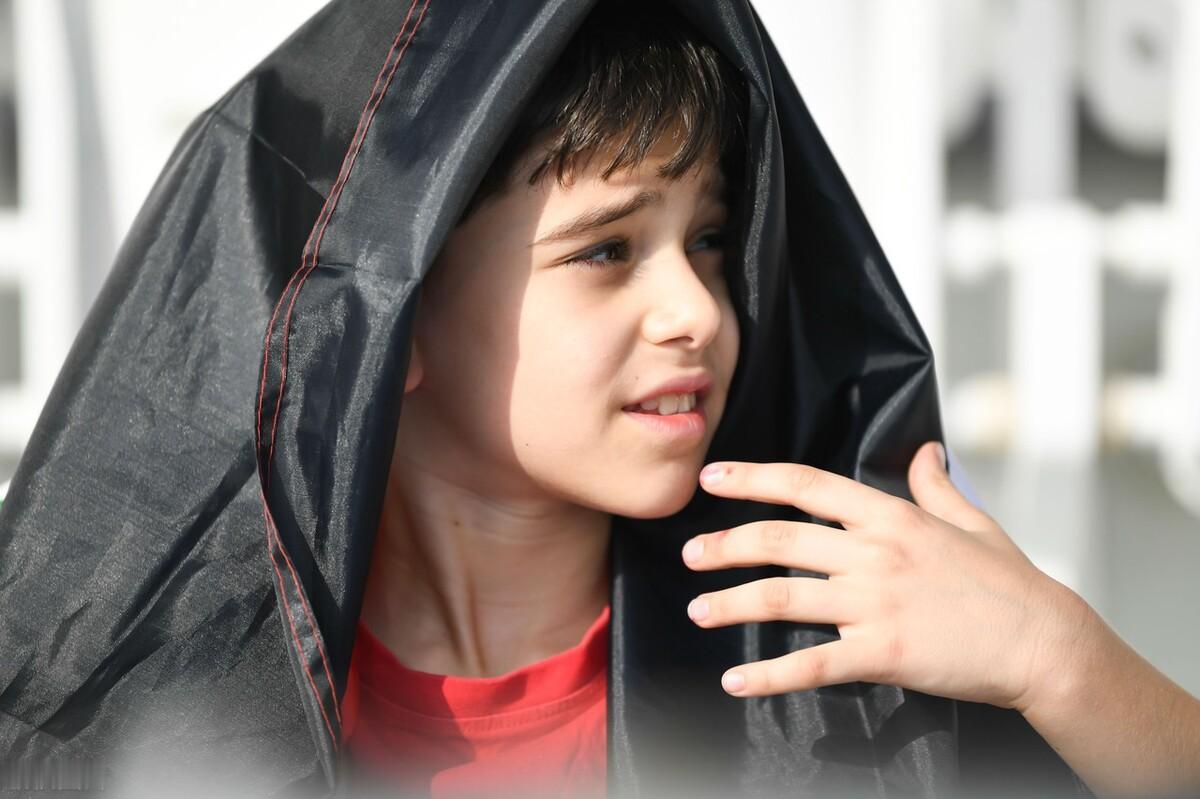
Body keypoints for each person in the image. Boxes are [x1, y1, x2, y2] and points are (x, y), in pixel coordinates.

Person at [1, 1, 1196, 797]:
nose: (696, 309)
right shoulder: (161, 725)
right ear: (390, 315)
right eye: (606, 251)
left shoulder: (849, 651)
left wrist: (1057, 661)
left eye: (711, 240)